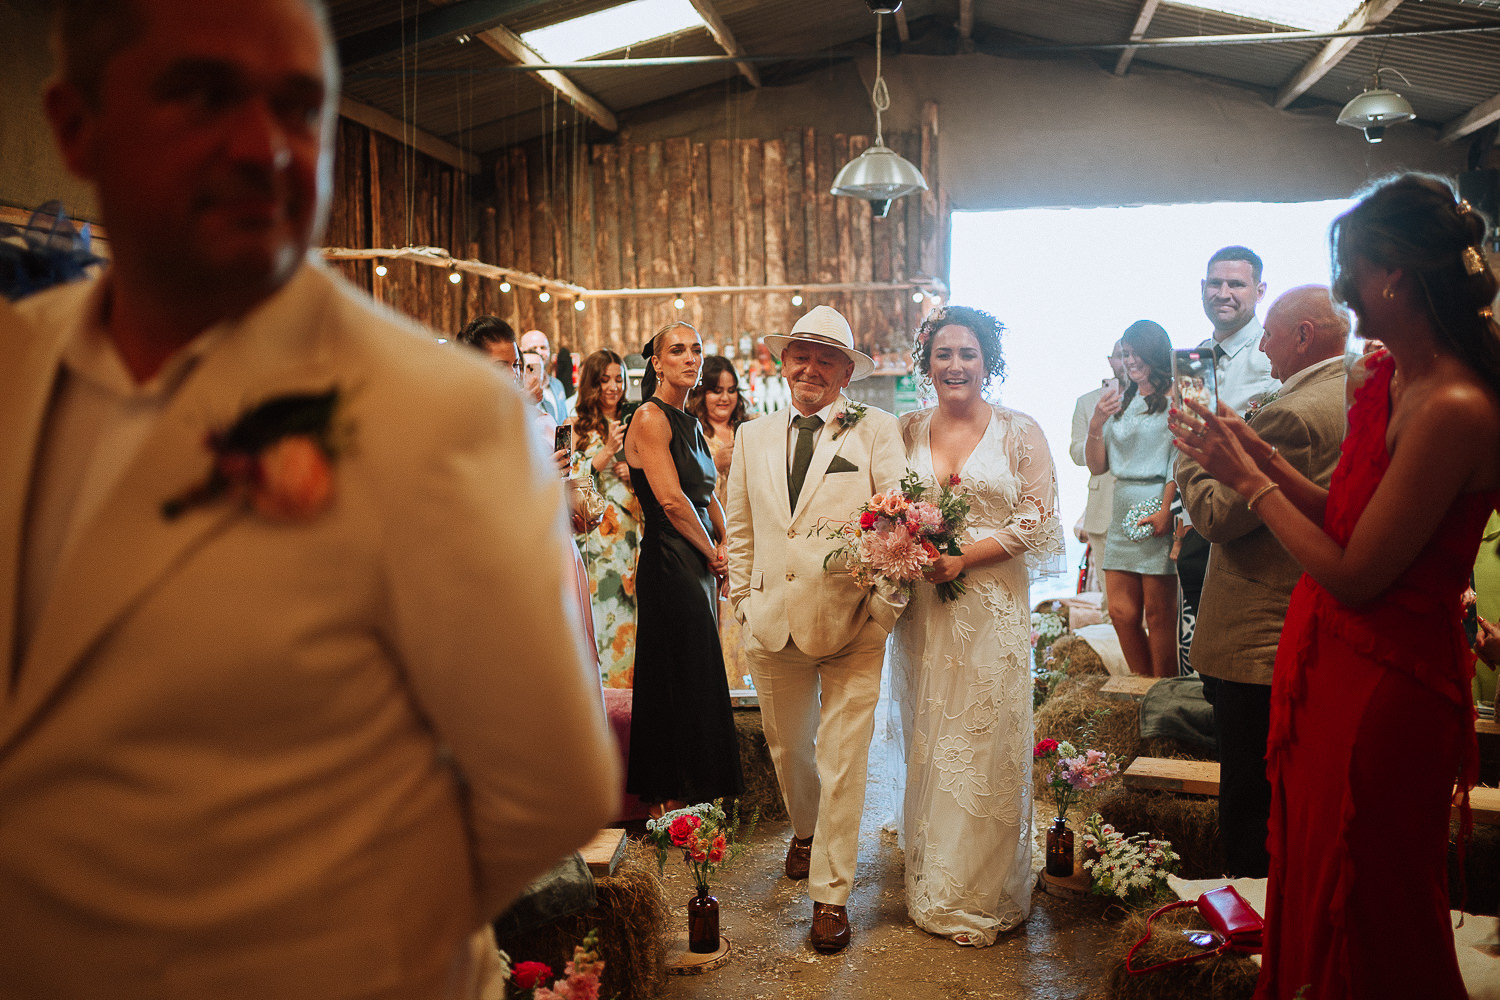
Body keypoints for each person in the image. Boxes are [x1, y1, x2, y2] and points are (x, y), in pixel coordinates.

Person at [0, 2, 620, 999]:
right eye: (201, 95)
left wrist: (350, 944)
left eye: (298, 107)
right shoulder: (15, 368)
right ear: (75, 125)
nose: (264, 149)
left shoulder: (443, 413)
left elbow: (554, 784)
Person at [1173, 173, 1500, 1000]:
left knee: (1372, 895)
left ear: (1393, 273)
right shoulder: (1389, 376)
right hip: (1329, 663)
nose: (1343, 288)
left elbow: (1357, 573)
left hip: (1389, 684)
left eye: (1350, 267)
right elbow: (1351, 518)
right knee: (1312, 872)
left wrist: (1250, 485)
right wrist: (1261, 458)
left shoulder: (1456, 403)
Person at [725, 305, 908, 954]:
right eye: (801, 354)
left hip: (855, 626)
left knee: (844, 761)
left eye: (826, 358)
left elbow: (899, 523)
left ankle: (831, 896)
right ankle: (804, 830)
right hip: (771, 623)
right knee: (790, 751)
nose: (810, 368)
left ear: (845, 373)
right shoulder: (752, 435)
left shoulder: (876, 430)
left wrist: (884, 611)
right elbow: (741, 529)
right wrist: (745, 603)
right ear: (784, 361)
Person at [889, 306, 1064, 946]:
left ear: (989, 361)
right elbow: (885, 509)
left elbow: (1038, 519)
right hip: (924, 616)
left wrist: (963, 557)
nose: (955, 365)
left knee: (987, 742)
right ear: (926, 363)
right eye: (943, 354)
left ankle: (984, 889)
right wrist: (901, 549)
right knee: (930, 734)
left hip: (990, 609)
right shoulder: (905, 429)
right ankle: (935, 876)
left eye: (968, 353)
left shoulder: (1022, 431)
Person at [1174, 286, 1349, 878]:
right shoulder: (1350, 391)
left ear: (1303, 336)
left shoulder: (1293, 414)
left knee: (1250, 801)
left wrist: (1192, 453)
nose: (1264, 349)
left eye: (1270, 336)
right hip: (1306, 623)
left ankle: (1256, 924)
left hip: (1259, 639)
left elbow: (1221, 515)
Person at [622, 322, 743, 812]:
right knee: (673, 672)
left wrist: (728, 542)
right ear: (656, 362)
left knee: (697, 670)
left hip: (695, 557)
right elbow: (672, 502)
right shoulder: (650, 418)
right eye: (677, 351)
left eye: (696, 350)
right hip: (669, 558)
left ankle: (695, 788)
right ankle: (665, 795)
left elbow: (706, 494)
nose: (690, 359)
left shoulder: (690, 422)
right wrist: (713, 552)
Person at [1176, 247, 1282, 672]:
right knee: (1203, 640)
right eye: (1215, 284)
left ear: (1259, 290)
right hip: (1198, 512)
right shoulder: (1193, 357)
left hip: (1250, 510)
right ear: (1203, 289)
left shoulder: (1271, 354)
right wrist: (1180, 514)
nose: (1224, 293)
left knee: (1242, 644)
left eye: (1236, 284)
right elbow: (1184, 435)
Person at [1085, 320, 1179, 677]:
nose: (1131, 360)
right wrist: (1096, 422)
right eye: (1126, 353)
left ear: (1155, 354)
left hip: (1158, 502)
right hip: (1120, 505)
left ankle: (1163, 690)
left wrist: (1167, 510)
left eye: (1138, 352)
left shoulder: (1177, 397)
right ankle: (1141, 688)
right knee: (1121, 612)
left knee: (1158, 615)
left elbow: (1179, 458)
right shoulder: (1118, 402)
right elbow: (1098, 466)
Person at [569, 349, 642, 688]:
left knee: (630, 611)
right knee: (599, 612)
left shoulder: (637, 423)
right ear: (591, 384)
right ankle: (599, 693)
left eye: (619, 380)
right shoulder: (575, 426)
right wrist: (604, 455)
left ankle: (627, 693)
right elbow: (566, 483)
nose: (613, 387)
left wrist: (634, 474)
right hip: (594, 535)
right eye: (605, 380)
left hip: (630, 532)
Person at [686, 354, 755, 690]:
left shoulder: (749, 429)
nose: (724, 398)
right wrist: (716, 460)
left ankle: (740, 686)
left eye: (730, 390)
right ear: (703, 393)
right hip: (702, 534)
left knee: (740, 615)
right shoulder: (692, 431)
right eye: (716, 390)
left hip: (742, 532)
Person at [1069, 340, 1125, 598]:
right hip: (1102, 505)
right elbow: (1076, 452)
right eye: (1119, 355)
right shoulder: (1087, 402)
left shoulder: (1153, 399)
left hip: (1147, 505)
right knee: (1110, 600)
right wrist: (1097, 437)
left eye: (1131, 355)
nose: (1126, 361)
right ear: (1110, 361)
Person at [523, 328, 569, 424]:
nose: (539, 353)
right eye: (533, 349)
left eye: (543, 348)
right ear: (521, 351)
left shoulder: (557, 385)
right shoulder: (515, 386)